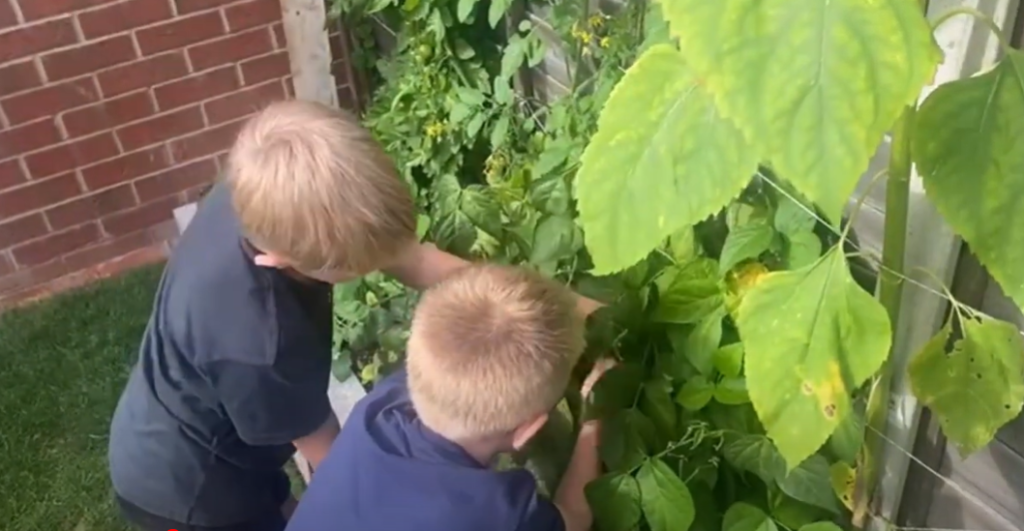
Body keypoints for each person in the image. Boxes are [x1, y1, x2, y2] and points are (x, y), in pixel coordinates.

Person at [107, 100, 599, 531]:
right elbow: (333, 463)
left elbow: (410, 257)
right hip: (190, 487)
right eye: (355, 267)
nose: (374, 269)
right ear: (284, 259)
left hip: (204, 416)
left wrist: (565, 308)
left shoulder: (268, 195)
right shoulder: (264, 346)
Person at [285, 264, 613, 531]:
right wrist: (593, 422)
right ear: (527, 429)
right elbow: (573, 518)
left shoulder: (376, 411)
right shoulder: (500, 511)